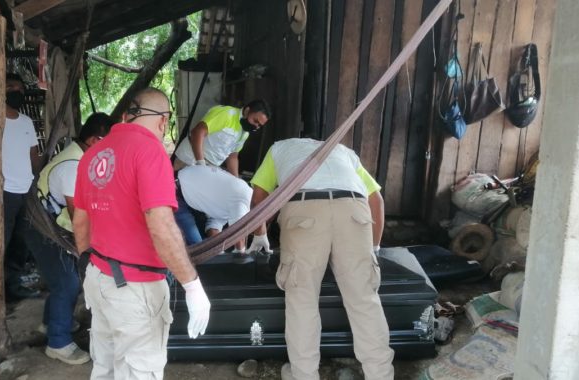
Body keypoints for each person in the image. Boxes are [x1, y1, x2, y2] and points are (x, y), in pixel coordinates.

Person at [72, 88, 211, 379]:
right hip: (136, 288)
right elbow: (161, 225)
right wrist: (193, 285)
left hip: (98, 279)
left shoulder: (93, 153)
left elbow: (80, 220)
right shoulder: (151, 151)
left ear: (126, 117)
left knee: (105, 367)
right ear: (163, 121)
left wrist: (88, 263)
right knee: (138, 372)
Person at [247, 138, 394, 380]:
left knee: (302, 299)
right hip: (353, 209)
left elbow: (258, 198)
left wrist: (260, 233)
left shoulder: (278, 148)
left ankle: (303, 375)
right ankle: (380, 374)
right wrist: (374, 247)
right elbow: (376, 199)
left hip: (305, 209)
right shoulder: (343, 150)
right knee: (364, 298)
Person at [30, 112, 115, 365]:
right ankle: (58, 343)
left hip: (50, 224)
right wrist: (87, 252)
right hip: (41, 228)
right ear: (93, 140)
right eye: (108, 143)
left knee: (63, 280)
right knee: (68, 282)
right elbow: (78, 216)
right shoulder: (73, 168)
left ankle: (51, 322)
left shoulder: (83, 158)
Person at [172, 100, 270, 248]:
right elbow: (198, 132)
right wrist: (200, 164)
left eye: (259, 126)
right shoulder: (226, 114)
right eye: (255, 121)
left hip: (208, 168)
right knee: (177, 198)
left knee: (199, 205)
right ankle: (183, 241)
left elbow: (233, 157)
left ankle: (199, 245)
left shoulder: (244, 134)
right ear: (247, 110)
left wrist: (235, 182)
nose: (255, 126)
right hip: (190, 159)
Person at [3, 73, 42, 300]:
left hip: (25, 190)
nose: (15, 91)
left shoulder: (26, 122)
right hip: (4, 191)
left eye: (19, 88)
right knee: (1, 241)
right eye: (10, 86)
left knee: (21, 240)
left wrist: (40, 178)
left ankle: (13, 286)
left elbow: (33, 155)